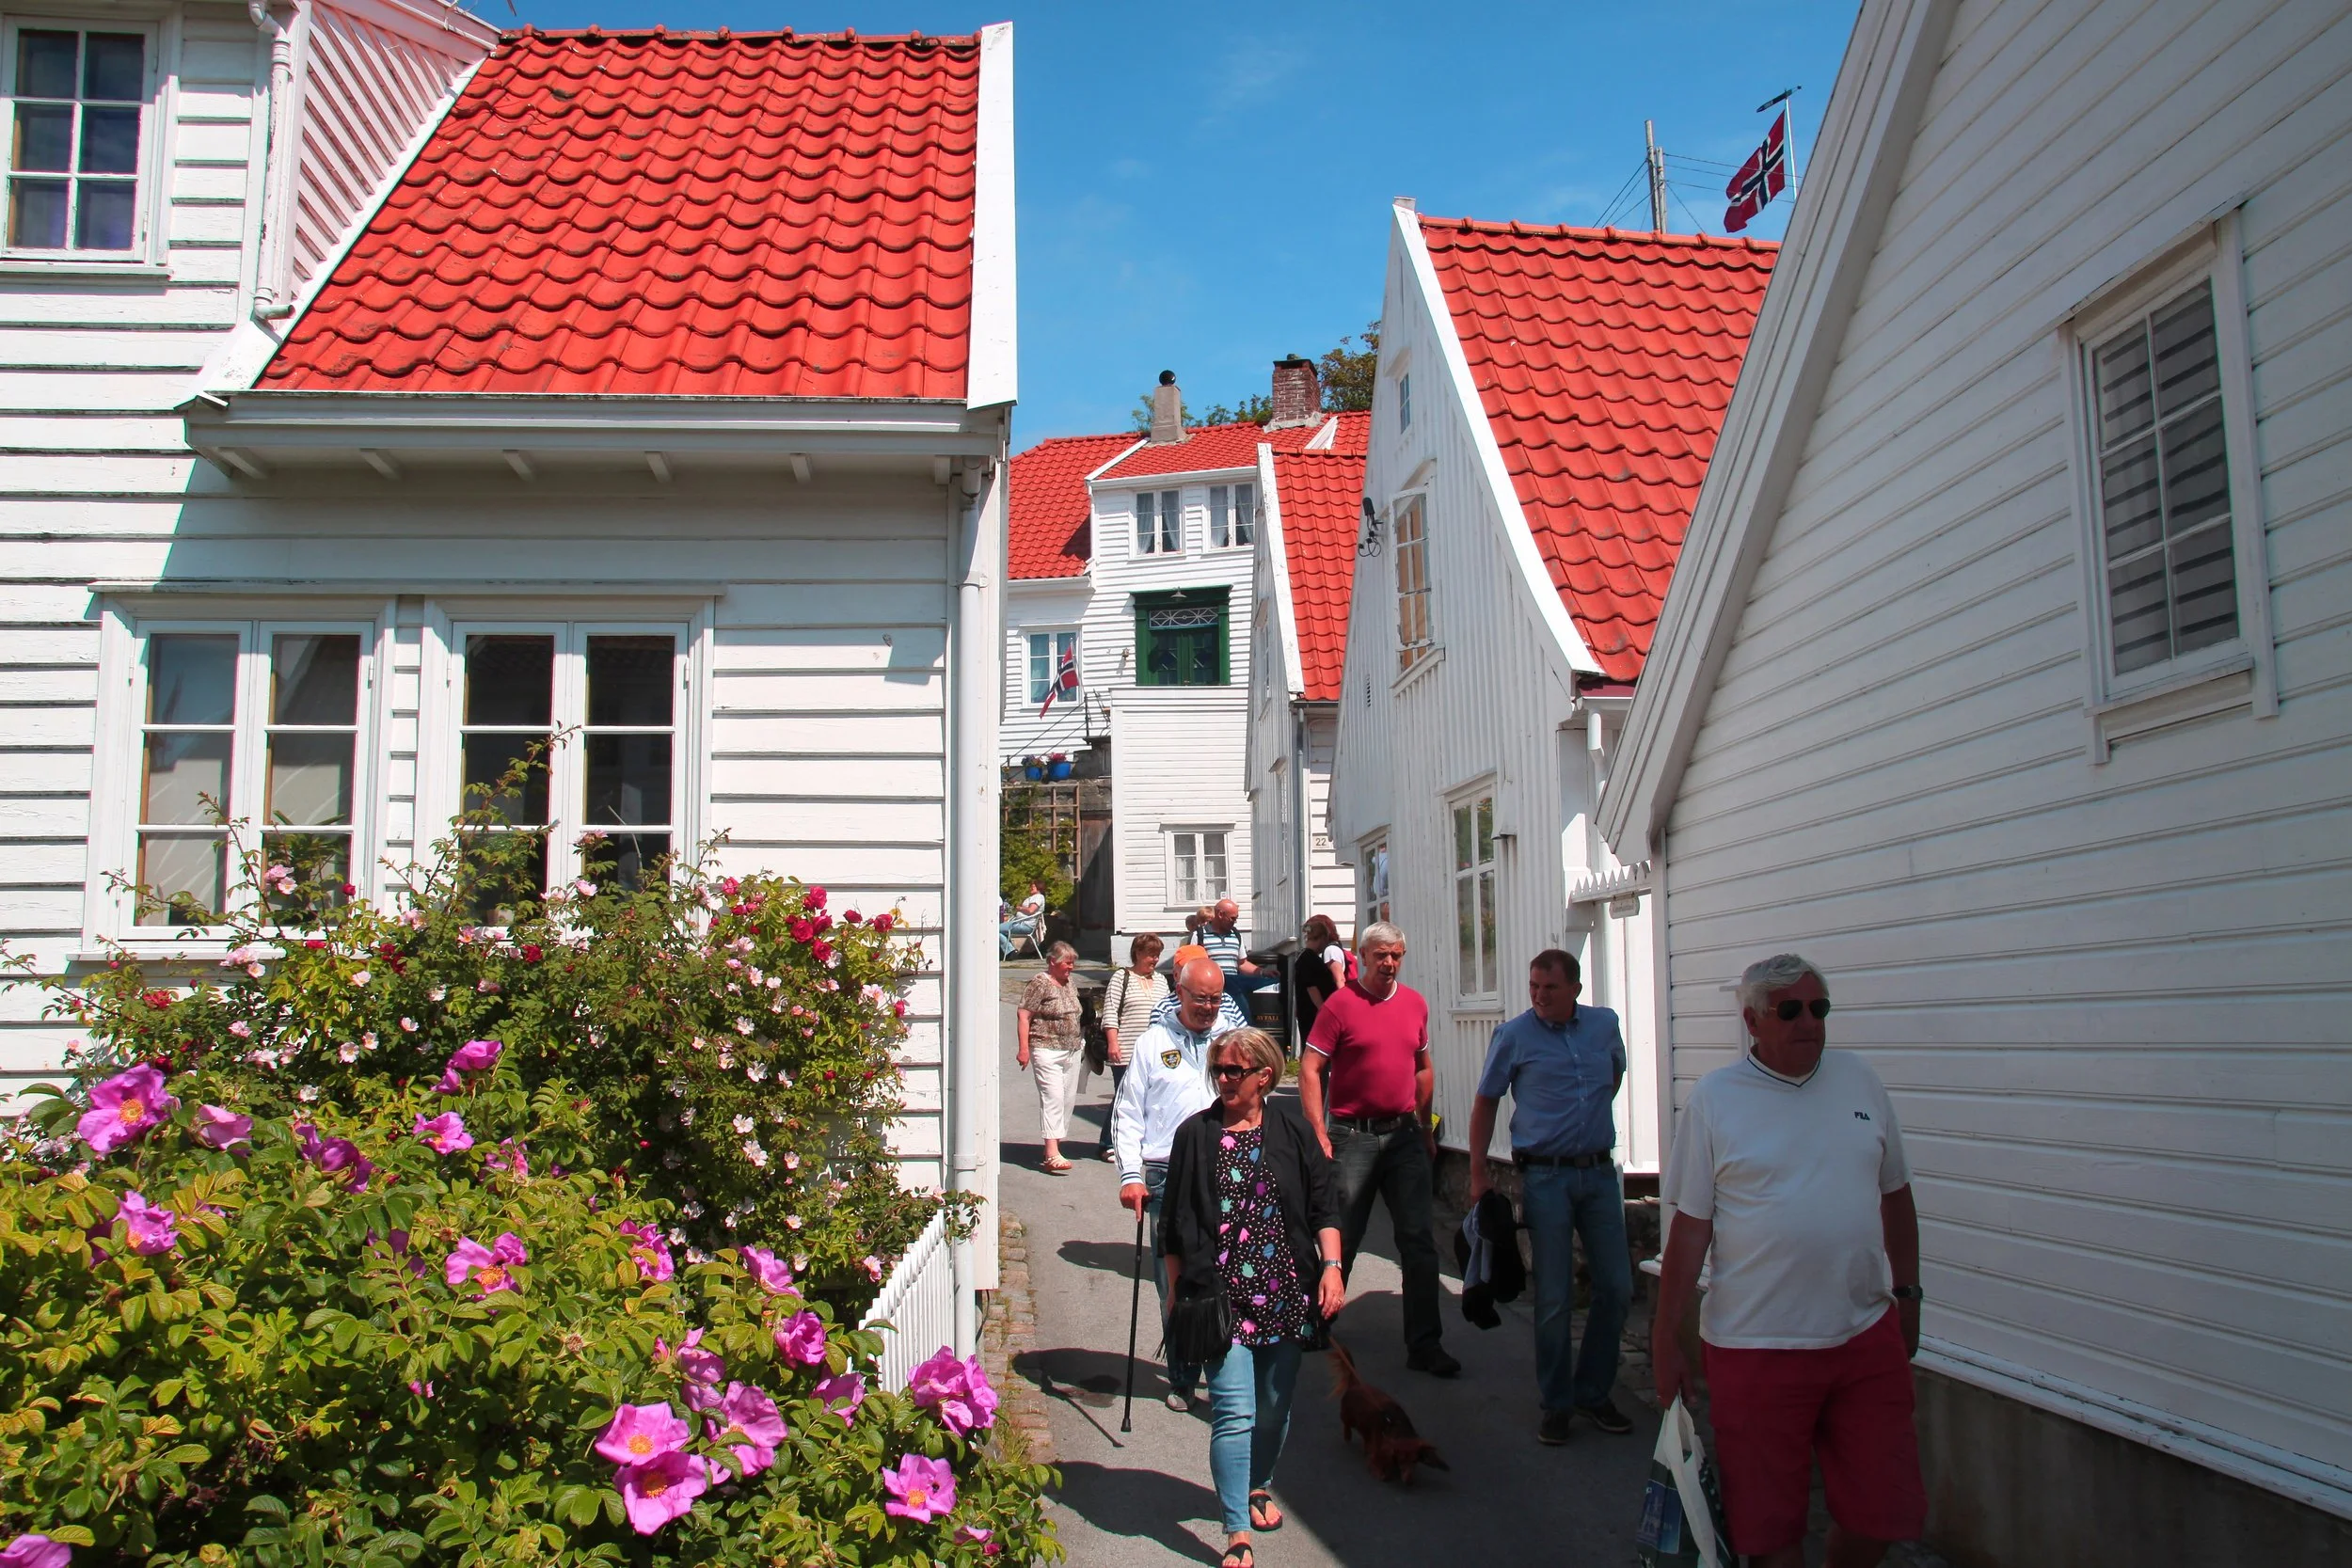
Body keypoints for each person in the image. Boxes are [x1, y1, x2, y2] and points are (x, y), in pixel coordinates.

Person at [1654, 954, 1926, 1568]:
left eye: (1819, 1007)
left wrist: (1907, 1293)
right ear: (1753, 1020)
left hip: (1863, 1336)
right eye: (1791, 1010)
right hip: (1755, 1347)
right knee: (1769, 1533)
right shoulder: (1716, 1100)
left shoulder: (1860, 1080)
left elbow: (1896, 1193)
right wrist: (1666, 1334)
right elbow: (1691, 1229)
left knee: (1879, 1513)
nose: (1810, 1021)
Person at [1158, 1025, 1345, 1568]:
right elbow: (1175, 1224)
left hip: (1285, 1291)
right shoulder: (1195, 1135)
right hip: (1220, 1296)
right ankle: (1236, 1528)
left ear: (1265, 1076)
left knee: (1274, 1409)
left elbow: (1323, 1208)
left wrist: (1331, 1269)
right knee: (1234, 1413)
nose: (1223, 1079)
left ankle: (1258, 1481)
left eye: (1233, 1071)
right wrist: (1176, 1294)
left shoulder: (1293, 1134)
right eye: (1218, 1069)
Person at [1467, 950, 1634, 1444]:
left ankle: (1594, 1391)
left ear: (1575, 989)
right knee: (1556, 1295)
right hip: (1546, 1178)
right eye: (1534, 986)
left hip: (1599, 1174)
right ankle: (1557, 1402)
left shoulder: (1604, 1025)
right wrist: (1478, 1173)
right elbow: (1486, 1101)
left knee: (1617, 1288)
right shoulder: (1514, 1035)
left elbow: (1615, 1076)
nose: (1539, 996)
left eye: (1550, 988)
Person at [1297, 922, 1459, 1378]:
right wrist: (1318, 1131)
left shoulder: (1414, 1004)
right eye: (1380, 955)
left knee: (1419, 1241)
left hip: (1405, 1135)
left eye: (1396, 955)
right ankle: (1317, 1323)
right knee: (1341, 1234)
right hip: (1354, 1136)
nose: (1389, 963)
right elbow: (1311, 1068)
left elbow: (1423, 1069)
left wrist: (1426, 1127)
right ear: (1362, 957)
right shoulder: (1340, 1005)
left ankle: (1425, 1345)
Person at [1113, 957, 1240, 1406]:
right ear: (1179, 993)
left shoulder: (1233, 1042)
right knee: (1175, 1282)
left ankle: (1225, 1370)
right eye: (1200, 997)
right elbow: (1128, 1114)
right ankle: (1184, 1374)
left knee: (1227, 1274)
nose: (1208, 1006)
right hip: (1166, 1175)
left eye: (1216, 998)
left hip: (1227, 1169)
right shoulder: (1152, 1043)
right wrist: (1131, 1176)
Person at [1093, 932, 1168, 1161]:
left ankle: (1138, 1143)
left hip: (1154, 1051)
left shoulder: (1162, 981)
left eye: (1157, 956)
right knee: (1123, 1098)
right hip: (1126, 1049)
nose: (1154, 960)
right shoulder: (1121, 977)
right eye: (1150, 955)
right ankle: (1108, 1142)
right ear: (1137, 953)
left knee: (1150, 1100)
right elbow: (1110, 1013)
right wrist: (1113, 1043)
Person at [1016, 942, 1085, 1172]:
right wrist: (1023, 1049)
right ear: (1052, 962)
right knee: (1053, 1097)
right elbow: (1024, 1015)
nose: (1071, 967)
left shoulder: (1068, 982)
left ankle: (1055, 1146)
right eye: (1067, 963)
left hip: (1071, 1049)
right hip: (1045, 1047)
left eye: (1072, 963)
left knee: (1067, 1099)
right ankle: (1051, 1152)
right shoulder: (1039, 983)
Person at [1200, 898, 1277, 999]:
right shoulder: (1199, 935)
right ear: (1220, 915)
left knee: (1271, 982)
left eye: (1236, 918)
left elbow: (1242, 963)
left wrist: (1262, 972)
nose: (1235, 922)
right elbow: (1192, 966)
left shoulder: (1235, 935)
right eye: (1232, 918)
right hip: (1211, 990)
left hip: (1233, 988)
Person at [1290, 914, 1349, 1041]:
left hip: (1308, 1012)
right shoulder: (1308, 959)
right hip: (1313, 1014)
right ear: (1322, 938)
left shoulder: (1304, 958)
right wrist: (1323, 1010)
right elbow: (1311, 988)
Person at [999, 880, 1047, 959]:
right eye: (1031, 886)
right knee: (999, 931)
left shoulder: (1038, 897)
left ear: (1039, 887)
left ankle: (1010, 952)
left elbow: (1031, 910)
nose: (1031, 887)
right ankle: (1009, 952)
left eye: (1033, 886)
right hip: (1019, 923)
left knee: (996, 929)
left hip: (1025, 925)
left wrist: (1020, 908)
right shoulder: (1034, 897)